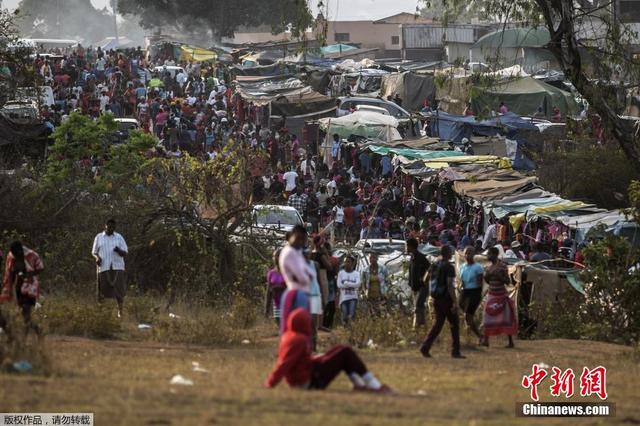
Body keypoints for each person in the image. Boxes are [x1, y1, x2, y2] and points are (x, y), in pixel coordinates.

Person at [265, 308, 391, 393]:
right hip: (308, 382)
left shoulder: (290, 336)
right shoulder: (299, 340)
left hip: (306, 373)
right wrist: (270, 383)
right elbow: (285, 363)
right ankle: (375, 385)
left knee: (340, 349)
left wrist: (318, 357)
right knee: (345, 352)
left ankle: (359, 385)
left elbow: (298, 361)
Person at [420, 245, 463, 358]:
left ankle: (425, 347)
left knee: (438, 324)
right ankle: (455, 351)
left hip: (435, 298)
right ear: (448, 254)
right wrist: (455, 301)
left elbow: (425, 279)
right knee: (454, 324)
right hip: (446, 299)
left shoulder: (434, 265)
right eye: (450, 252)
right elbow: (450, 285)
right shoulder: (449, 267)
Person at [0, 241, 44, 328]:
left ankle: (28, 335)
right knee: (24, 314)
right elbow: (10, 273)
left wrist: (28, 274)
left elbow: (41, 268)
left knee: (25, 311)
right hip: (19, 287)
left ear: (21, 251)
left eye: (17, 254)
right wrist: (8, 289)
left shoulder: (31, 255)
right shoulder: (11, 257)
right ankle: (36, 331)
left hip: (31, 288)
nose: (15, 256)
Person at [92, 219, 128, 318]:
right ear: (105, 226)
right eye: (109, 227)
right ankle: (101, 312)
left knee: (119, 290)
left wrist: (119, 250)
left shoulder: (119, 237)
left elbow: (125, 252)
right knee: (102, 290)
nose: (111, 228)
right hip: (103, 267)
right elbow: (94, 252)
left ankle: (120, 312)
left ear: (115, 227)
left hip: (117, 267)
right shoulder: (99, 237)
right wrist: (97, 258)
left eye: (113, 227)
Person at [278, 225, 311, 334]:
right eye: (300, 239)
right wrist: (306, 276)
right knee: (297, 328)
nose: (302, 243)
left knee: (303, 327)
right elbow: (302, 277)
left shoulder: (297, 252)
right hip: (296, 292)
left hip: (302, 292)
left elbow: (307, 272)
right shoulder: (289, 252)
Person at [482, 247, 516, 348]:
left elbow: (507, 281)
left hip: (501, 295)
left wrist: (498, 275)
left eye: (489, 254)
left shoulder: (502, 267)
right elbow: (488, 281)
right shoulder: (489, 268)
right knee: (487, 317)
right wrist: (487, 276)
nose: (488, 256)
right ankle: (486, 340)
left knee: (506, 318)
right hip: (492, 295)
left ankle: (510, 342)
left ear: (495, 255)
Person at [458, 246, 483, 342]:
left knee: (467, 316)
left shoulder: (478, 267)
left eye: (470, 253)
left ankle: (480, 336)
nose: (467, 255)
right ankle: (468, 337)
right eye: (466, 253)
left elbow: (480, 283)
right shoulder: (462, 267)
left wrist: (478, 295)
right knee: (467, 317)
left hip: (474, 292)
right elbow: (462, 281)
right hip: (465, 292)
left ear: (473, 254)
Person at [407, 238, 429, 328]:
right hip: (414, 287)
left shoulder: (421, 257)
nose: (405, 247)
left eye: (406, 245)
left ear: (411, 247)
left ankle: (415, 327)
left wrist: (424, 280)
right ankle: (423, 326)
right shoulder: (412, 257)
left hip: (422, 287)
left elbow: (430, 269)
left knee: (417, 307)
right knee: (420, 308)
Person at [265, 249, 286, 327]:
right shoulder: (271, 273)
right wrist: (266, 310)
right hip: (276, 305)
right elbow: (268, 292)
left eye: (278, 256)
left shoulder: (288, 271)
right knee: (280, 327)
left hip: (287, 303)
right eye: (274, 256)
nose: (276, 258)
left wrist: (279, 287)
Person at [337, 254, 360, 324]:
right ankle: (346, 327)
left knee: (351, 314)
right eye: (346, 261)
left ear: (352, 263)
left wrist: (346, 283)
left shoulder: (356, 274)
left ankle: (350, 330)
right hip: (343, 298)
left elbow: (358, 284)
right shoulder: (341, 273)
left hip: (353, 297)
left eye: (348, 261)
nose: (347, 263)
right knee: (344, 315)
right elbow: (339, 285)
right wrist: (351, 285)